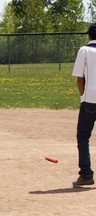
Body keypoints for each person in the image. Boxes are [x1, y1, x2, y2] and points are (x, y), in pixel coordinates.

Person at [72, 23, 96, 187]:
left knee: (83, 136)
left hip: (90, 99)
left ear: (89, 35)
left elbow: (79, 78)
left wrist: (83, 95)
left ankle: (86, 175)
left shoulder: (84, 50)